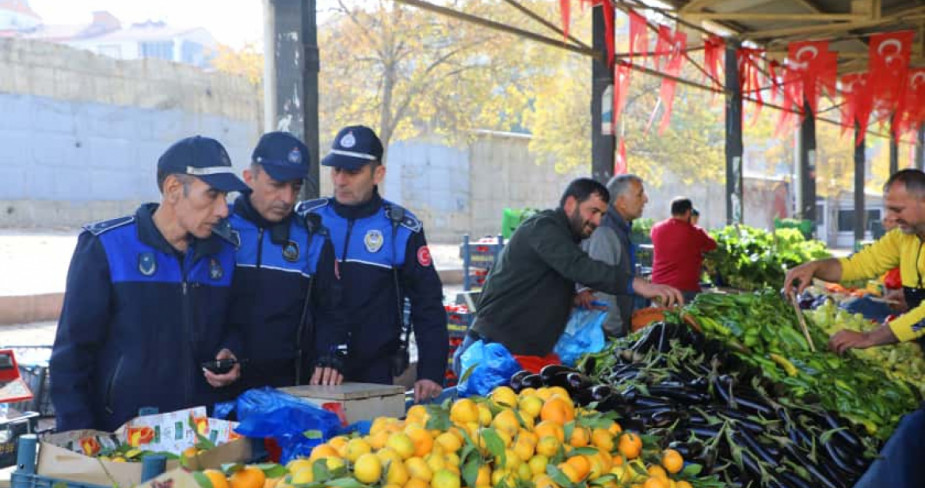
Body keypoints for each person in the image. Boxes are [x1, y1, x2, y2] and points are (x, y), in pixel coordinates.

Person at [50, 136, 248, 432]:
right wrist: (79, 437)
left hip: (201, 435)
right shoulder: (107, 247)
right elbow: (72, 356)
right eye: (212, 194)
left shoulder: (224, 253)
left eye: (225, 196)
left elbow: (234, 324)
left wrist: (231, 351)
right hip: (121, 438)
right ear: (173, 189)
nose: (223, 209)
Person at [784, 169, 925, 487]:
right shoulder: (903, 239)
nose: (890, 217)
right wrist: (815, 267)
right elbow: (857, 265)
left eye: (897, 209)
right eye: (888, 208)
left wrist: (868, 337)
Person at [297, 125, 447, 403]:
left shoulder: (401, 228)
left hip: (373, 371)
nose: (340, 180)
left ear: (378, 174)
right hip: (314, 369)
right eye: (336, 170)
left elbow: (427, 303)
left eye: (352, 172)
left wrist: (431, 370)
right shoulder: (306, 218)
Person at [462, 178, 674, 362]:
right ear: (571, 204)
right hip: (493, 351)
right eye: (593, 211)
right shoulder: (544, 227)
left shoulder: (566, 236)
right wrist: (637, 284)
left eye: (602, 214)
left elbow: (535, 282)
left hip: (520, 351)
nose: (597, 221)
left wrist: (571, 298)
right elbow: (579, 266)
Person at [227, 132, 346, 390]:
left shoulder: (313, 239)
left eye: (295, 187)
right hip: (220, 385)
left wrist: (330, 355)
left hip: (289, 390)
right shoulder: (217, 228)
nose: (288, 198)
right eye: (277, 185)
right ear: (249, 178)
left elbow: (331, 311)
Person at [578, 175, 683, 337]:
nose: (645, 199)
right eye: (640, 195)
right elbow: (602, 290)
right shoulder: (605, 232)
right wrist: (616, 331)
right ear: (621, 202)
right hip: (604, 335)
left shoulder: (619, 228)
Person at [650, 197, 717, 303]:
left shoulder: (656, 229)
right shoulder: (695, 232)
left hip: (658, 288)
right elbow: (712, 245)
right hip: (685, 289)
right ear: (688, 212)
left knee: (659, 313)